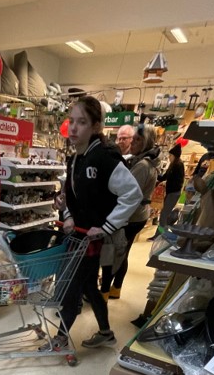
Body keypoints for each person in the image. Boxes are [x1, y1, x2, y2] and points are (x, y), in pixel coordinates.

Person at [40, 96, 142, 350]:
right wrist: (67, 213)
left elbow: (133, 194)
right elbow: (70, 197)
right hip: (79, 236)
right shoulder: (76, 157)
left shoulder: (105, 158)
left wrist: (107, 226)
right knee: (88, 286)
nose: (73, 128)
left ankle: (60, 339)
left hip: (92, 241)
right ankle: (106, 332)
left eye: (82, 122)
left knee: (72, 287)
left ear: (96, 126)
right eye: (71, 121)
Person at [101, 123, 161, 300]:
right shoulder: (144, 161)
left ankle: (103, 292)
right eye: (133, 139)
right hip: (137, 215)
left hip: (131, 217)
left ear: (146, 142)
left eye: (137, 140)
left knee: (112, 254)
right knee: (123, 253)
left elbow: (128, 194)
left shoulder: (142, 165)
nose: (132, 143)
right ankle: (116, 288)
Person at [148, 143, 185, 240]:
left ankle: (160, 234)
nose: (169, 157)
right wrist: (156, 174)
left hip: (173, 193)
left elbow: (176, 181)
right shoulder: (173, 165)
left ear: (174, 156)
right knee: (164, 214)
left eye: (170, 155)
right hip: (171, 193)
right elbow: (164, 177)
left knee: (164, 215)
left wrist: (166, 183)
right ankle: (161, 234)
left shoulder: (178, 165)